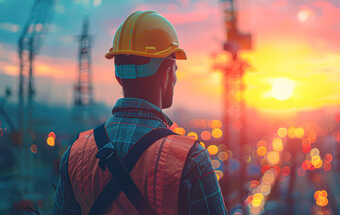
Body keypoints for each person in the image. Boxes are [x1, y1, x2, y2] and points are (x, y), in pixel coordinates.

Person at [52, 11, 227, 215]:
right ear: (168, 72)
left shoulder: (75, 155)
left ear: (118, 76)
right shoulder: (191, 160)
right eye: (176, 69)